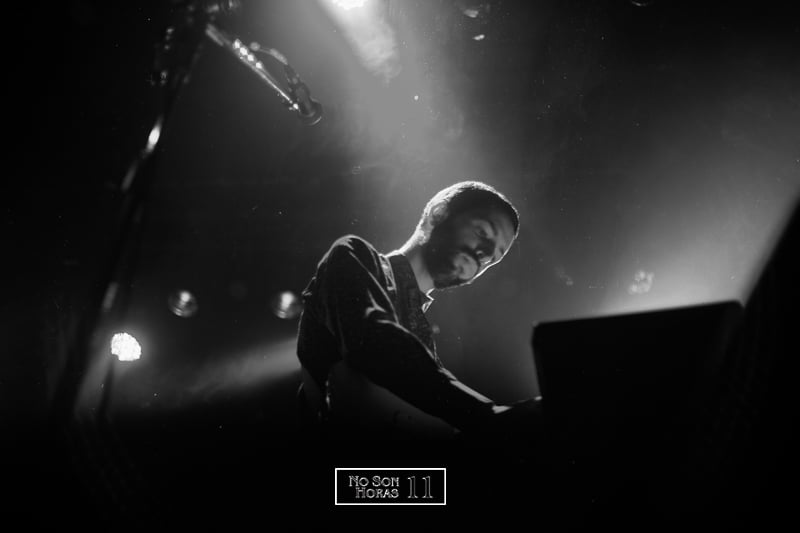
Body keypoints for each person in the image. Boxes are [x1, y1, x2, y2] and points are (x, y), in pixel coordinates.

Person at [296, 181, 541, 441]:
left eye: (494, 258)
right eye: (483, 232)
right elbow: (374, 342)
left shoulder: (422, 336)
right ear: (439, 213)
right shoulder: (353, 253)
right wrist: (490, 416)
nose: (485, 254)